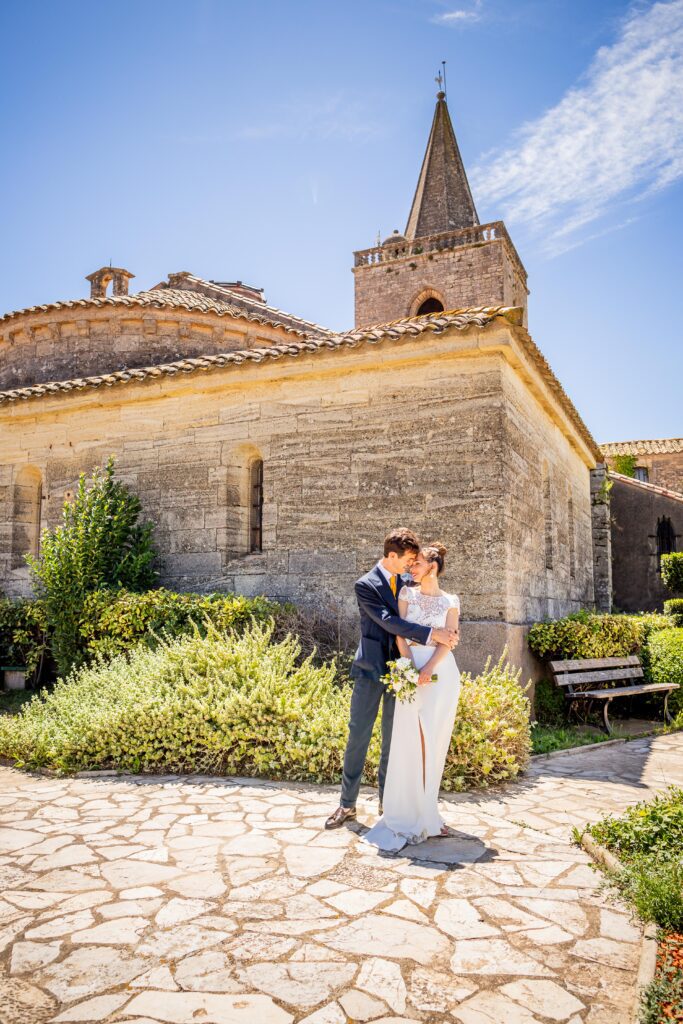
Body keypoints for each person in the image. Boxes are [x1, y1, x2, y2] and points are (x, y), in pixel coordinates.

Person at [325, 529, 458, 830]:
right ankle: (347, 805)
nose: (412, 566)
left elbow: (431, 607)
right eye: (408, 560)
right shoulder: (366, 585)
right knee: (358, 734)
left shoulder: (410, 583)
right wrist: (431, 634)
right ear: (391, 556)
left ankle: (389, 805)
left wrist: (447, 633)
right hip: (371, 668)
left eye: (416, 561)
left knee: (394, 740)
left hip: (404, 669)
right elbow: (389, 621)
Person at [361, 542, 461, 852]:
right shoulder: (407, 594)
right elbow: (400, 633)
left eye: (416, 563)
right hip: (410, 671)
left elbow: (450, 640)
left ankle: (428, 812)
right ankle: (405, 811)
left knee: (433, 741)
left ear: (431, 566)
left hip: (441, 674)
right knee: (409, 740)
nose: (411, 568)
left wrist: (429, 669)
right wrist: (408, 667)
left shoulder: (451, 601)